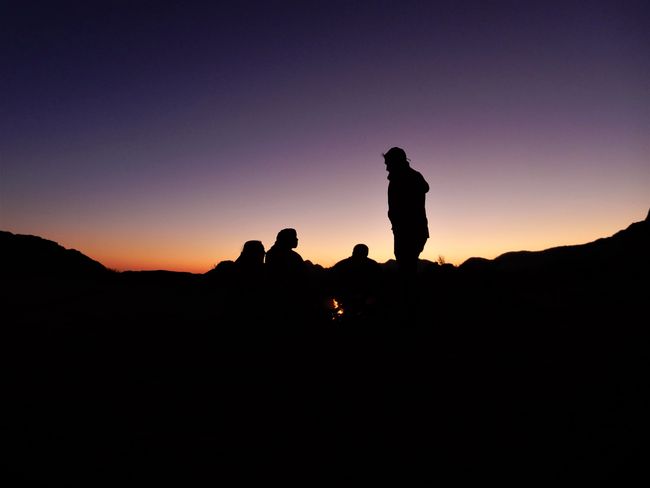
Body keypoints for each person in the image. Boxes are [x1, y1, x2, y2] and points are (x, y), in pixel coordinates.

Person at [383, 146, 430, 281]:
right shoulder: (407, 177)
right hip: (408, 230)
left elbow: (403, 207)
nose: (386, 168)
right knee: (408, 265)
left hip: (409, 231)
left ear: (396, 162)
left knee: (406, 267)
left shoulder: (404, 178)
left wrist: (398, 224)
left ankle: (409, 299)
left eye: (388, 164)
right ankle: (409, 296)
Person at [330, 244, 382, 318]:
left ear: (353, 251)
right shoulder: (373, 265)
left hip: (361, 302)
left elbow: (379, 283)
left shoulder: (341, 265)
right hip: (351, 302)